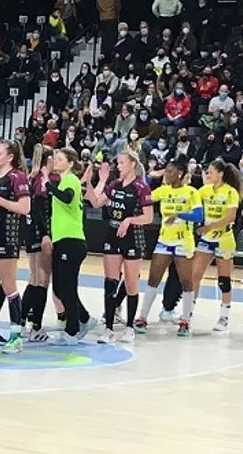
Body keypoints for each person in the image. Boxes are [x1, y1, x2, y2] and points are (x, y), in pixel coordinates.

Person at [85, 149, 154, 344]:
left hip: (132, 238)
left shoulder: (141, 187)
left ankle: (130, 327)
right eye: (118, 163)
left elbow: (148, 217)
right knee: (110, 281)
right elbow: (96, 203)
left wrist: (130, 220)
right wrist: (89, 183)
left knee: (131, 283)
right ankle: (108, 329)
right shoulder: (114, 185)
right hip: (112, 236)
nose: (119, 166)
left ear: (133, 164)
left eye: (122, 163)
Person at [137, 158, 201, 336]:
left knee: (186, 281)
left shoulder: (191, 192)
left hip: (183, 242)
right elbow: (144, 196)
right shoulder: (163, 191)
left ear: (179, 174)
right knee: (153, 279)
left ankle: (186, 321)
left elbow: (198, 216)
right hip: (164, 240)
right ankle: (142, 317)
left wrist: (179, 214)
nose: (166, 174)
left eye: (170, 172)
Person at [0, 140, 32, 354]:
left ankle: (16, 337)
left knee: (9, 286)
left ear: (10, 157)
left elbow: (25, 207)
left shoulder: (16, 177)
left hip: (7, 237)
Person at [48, 148, 97, 344]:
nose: (55, 161)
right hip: (62, 239)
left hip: (71, 239)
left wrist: (49, 187)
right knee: (60, 287)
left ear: (70, 163)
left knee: (67, 286)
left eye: (60, 159)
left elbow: (67, 197)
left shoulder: (70, 180)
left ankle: (72, 330)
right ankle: (84, 318)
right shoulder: (65, 181)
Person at [191, 159, 243, 332]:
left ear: (220, 174)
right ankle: (188, 311)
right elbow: (192, 202)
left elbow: (230, 217)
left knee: (223, 280)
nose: (207, 175)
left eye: (210, 172)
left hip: (224, 238)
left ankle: (224, 317)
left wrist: (209, 226)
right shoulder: (204, 191)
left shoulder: (231, 192)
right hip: (207, 238)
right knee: (194, 275)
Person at [22, 145, 60, 342]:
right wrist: (45, 234)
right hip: (40, 231)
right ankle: (35, 326)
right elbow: (38, 208)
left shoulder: (33, 177)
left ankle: (21, 322)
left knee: (35, 277)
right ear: (48, 160)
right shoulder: (43, 180)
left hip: (31, 231)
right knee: (42, 279)